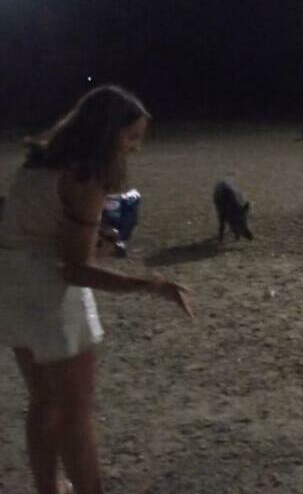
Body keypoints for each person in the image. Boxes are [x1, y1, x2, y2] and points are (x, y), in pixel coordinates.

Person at [0, 85, 194, 494]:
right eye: (131, 137)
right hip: (50, 297)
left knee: (42, 400)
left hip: (12, 286)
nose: (135, 148)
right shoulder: (85, 177)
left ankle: (47, 488)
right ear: (107, 132)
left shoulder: (37, 165)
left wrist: (90, 240)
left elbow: (39, 232)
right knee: (76, 413)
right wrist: (152, 284)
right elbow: (75, 270)